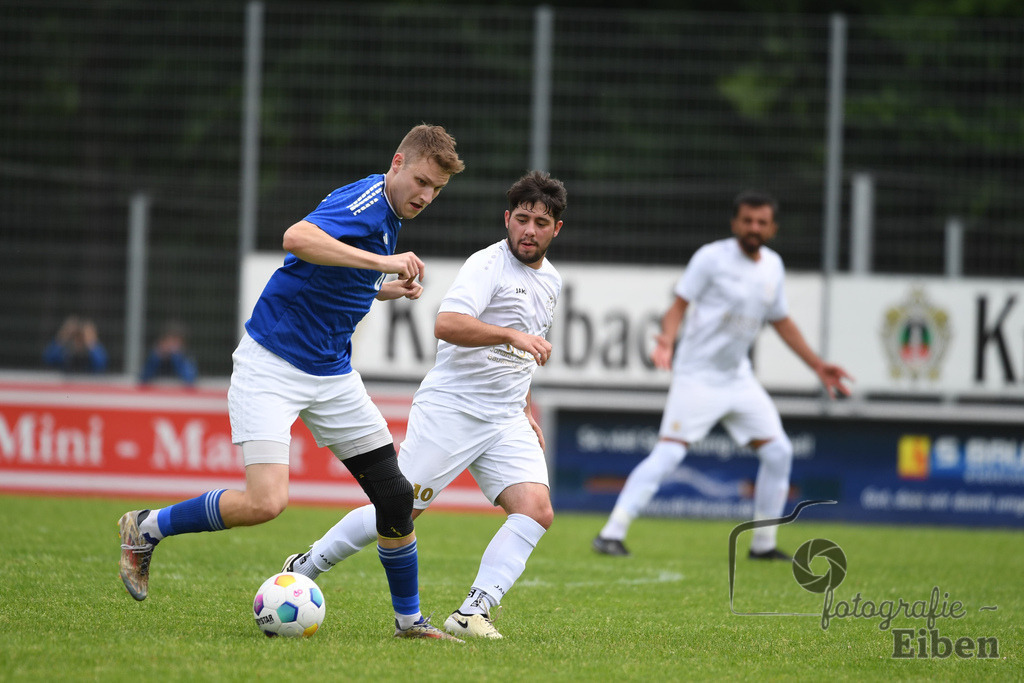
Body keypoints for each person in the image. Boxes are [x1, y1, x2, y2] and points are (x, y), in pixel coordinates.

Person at [117, 123, 466, 641]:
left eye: (435, 190)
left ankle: (409, 621)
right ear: (397, 162)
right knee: (266, 503)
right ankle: (145, 527)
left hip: (332, 373)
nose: (425, 195)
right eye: (420, 181)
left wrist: (385, 286)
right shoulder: (370, 199)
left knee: (394, 497)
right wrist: (382, 261)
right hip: (272, 366)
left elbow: (341, 278)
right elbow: (297, 238)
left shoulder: (391, 213)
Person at [280, 170, 567, 640]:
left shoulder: (551, 281)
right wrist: (512, 334)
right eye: (521, 219)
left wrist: (526, 408)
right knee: (399, 512)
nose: (529, 230)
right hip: (453, 409)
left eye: (540, 222)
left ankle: (474, 611)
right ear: (507, 220)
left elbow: (524, 351)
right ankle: (309, 562)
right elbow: (447, 323)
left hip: (504, 417)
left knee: (536, 510)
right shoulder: (487, 266)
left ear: (557, 229)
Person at [592, 190, 852, 560]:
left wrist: (817, 365)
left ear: (773, 228)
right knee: (668, 456)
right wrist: (666, 339)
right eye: (747, 220)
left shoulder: (773, 266)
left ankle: (763, 544)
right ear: (735, 223)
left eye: (762, 222)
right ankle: (611, 533)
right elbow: (677, 306)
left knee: (779, 451)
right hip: (697, 376)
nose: (753, 228)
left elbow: (781, 321)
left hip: (738, 378)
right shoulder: (711, 258)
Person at [139, 322, 198, 386]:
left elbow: (189, 379)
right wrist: (156, 358)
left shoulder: (186, 358)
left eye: (174, 342)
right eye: (168, 342)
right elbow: (143, 378)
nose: (170, 346)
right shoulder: (154, 357)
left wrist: (176, 357)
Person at [43, 315, 107, 374]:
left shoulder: (92, 349)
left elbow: (101, 364)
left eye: (81, 337)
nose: (79, 340)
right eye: (75, 337)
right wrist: (63, 337)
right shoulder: (66, 349)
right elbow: (48, 360)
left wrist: (91, 342)